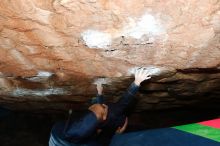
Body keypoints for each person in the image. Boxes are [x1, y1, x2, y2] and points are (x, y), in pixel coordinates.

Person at [49, 67, 151, 146]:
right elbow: (124, 102)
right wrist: (137, 82)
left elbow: (96, 114)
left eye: (94, 106)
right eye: (103, 107)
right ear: (104, 117)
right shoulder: (114, 112)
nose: (102, 105)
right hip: (118, 123)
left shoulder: (64, 132)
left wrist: (99, 94)